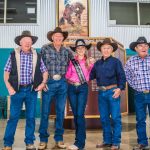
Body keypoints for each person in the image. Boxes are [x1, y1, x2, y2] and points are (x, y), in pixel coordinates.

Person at [2, 31, 48, 150]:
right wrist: (9, 87)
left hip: (31, 91)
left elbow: (45, 71)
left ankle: (29, 142)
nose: (28, 43)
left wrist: (43, 83)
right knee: (13, 117)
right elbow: (6, 73)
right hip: (16, 91)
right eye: (25, 41)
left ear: (32, 43)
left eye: (30, 41)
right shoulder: (13, 55)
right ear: (20, 43)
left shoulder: (37, 56)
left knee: (31, 117)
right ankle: (8, 143)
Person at [38, 27, 73, 150]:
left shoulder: (67, 51)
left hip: (62, 83)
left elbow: (74, 65)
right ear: (52, 37)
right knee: (45, 112)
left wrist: (88, 62)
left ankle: (59, 139)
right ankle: (43, 139)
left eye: (60, 36)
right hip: (49, 83)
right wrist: (42, 82)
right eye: (56, 36)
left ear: (63, 38)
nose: (58, 38)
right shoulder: (44, 49)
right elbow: (39, 67)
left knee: (60, 112)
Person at [90, 38, 126, 150]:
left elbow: (122, 77)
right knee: (104, 118)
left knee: (115, 117)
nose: (106, 50)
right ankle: (107, 140)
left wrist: (119, 89)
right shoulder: (97, 63)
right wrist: (90, 64)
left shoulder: (116, 62)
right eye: (104, 48)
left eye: (108, 48)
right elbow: (91, 76)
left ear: (112, 50)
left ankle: (116, 142)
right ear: (101, 49)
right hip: (101, 93)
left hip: (113, 91)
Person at [65, 39, 95, 150]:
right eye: (78, 48)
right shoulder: (72, 61)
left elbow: (92, 75)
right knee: (76, 115)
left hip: (83, 88)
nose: (81, 49)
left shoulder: (89, 61)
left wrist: (91, 65)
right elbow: (68, 75)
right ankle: (78, 141)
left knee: (80, 114)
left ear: (85, 49)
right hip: (72, 87)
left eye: (83, 47)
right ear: (76, 50)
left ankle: (80, 143)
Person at [125, 37, 150, 150]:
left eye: (145, 45)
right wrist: (136, 87)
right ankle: (142, 143)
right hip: (139, 94)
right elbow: (127, 76)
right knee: (140, 119)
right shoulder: (130, 61)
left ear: (148, 47)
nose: (143, 47)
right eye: (140, 46)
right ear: (136, 48)